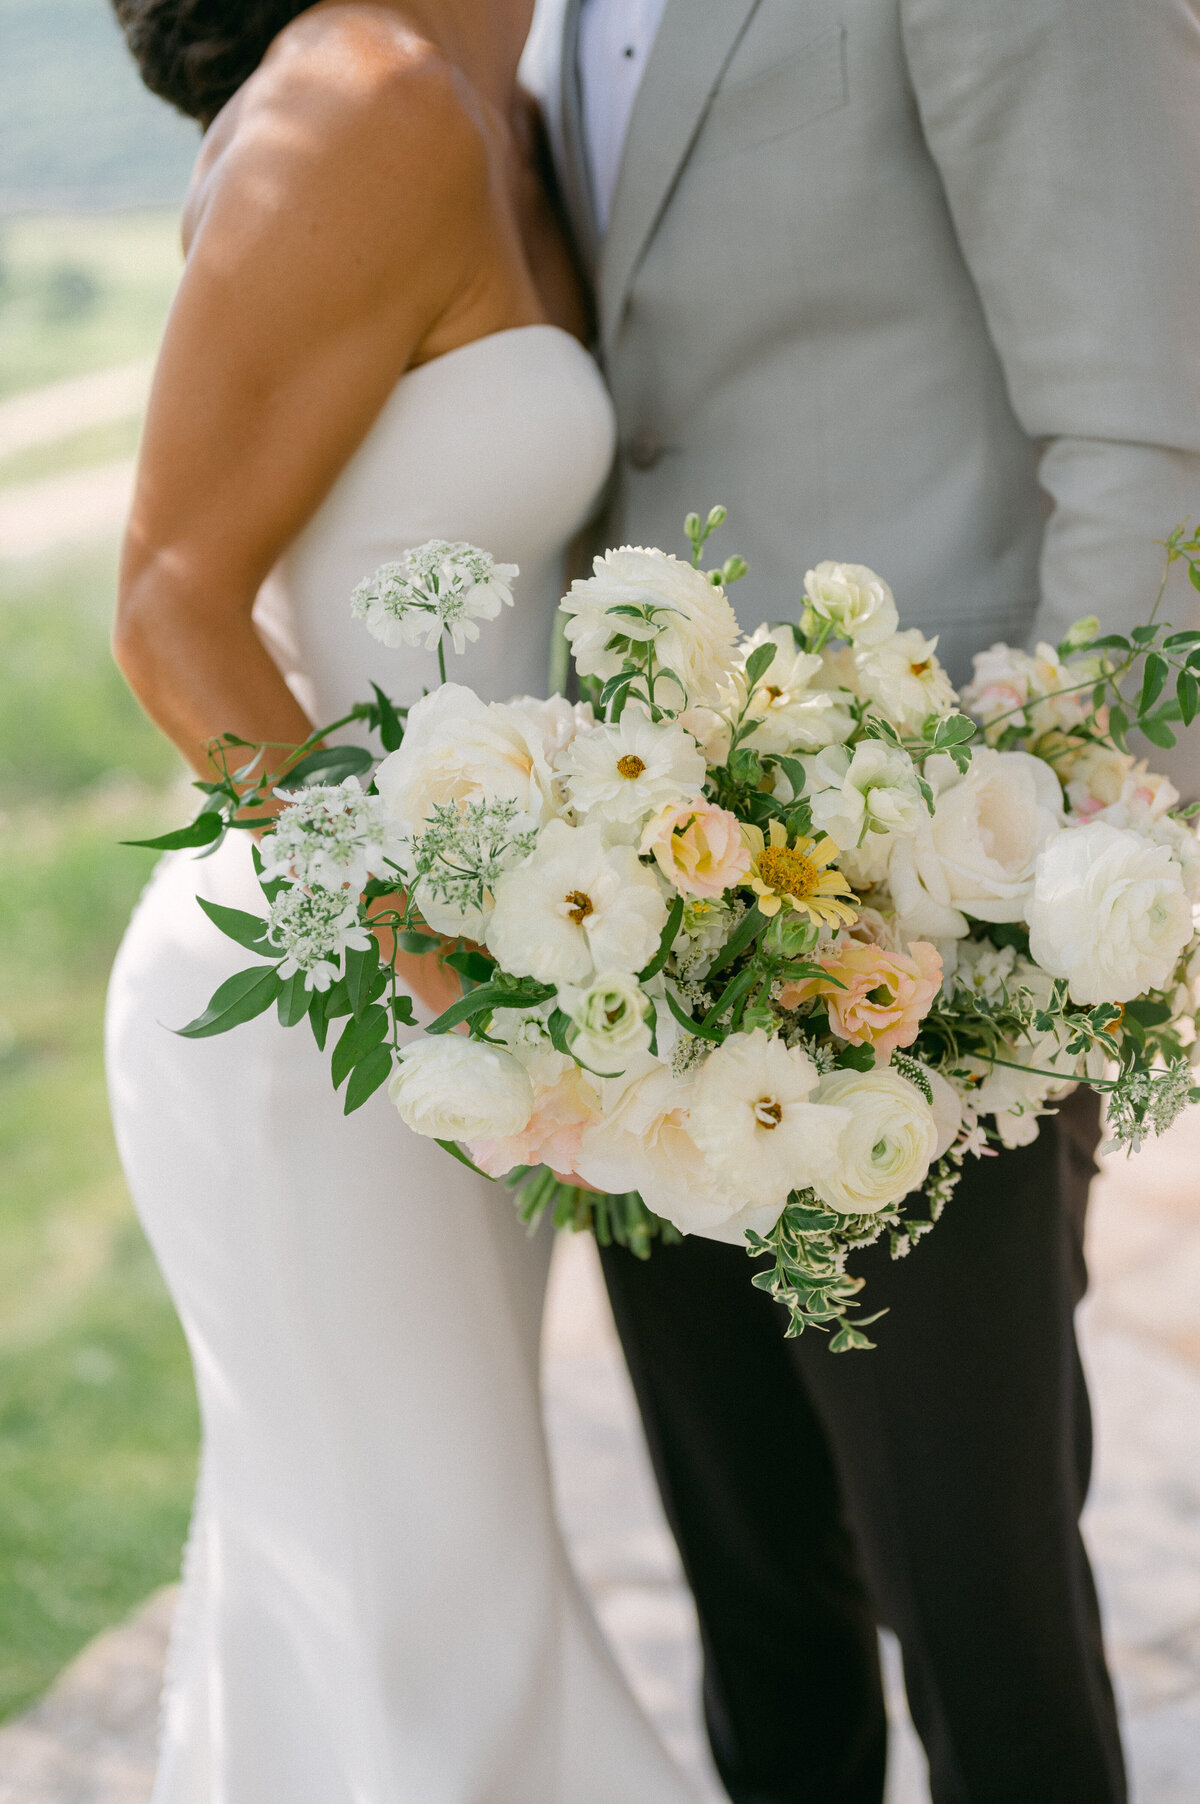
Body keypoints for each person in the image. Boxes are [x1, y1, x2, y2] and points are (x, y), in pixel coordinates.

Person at [524, 2, 1200, 1801]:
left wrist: (1059, 890)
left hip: (931, 914)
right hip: (637, 919)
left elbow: (1152, 428)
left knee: (984, 1626)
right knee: (757, 1610)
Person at [104, 3, 701, 1799]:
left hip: (472, 1007)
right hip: (323, 1017)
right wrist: (447, 990)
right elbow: (168, 610)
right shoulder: (361, 97)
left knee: (398, 1596)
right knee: (423, 1606)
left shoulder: (506, 107)